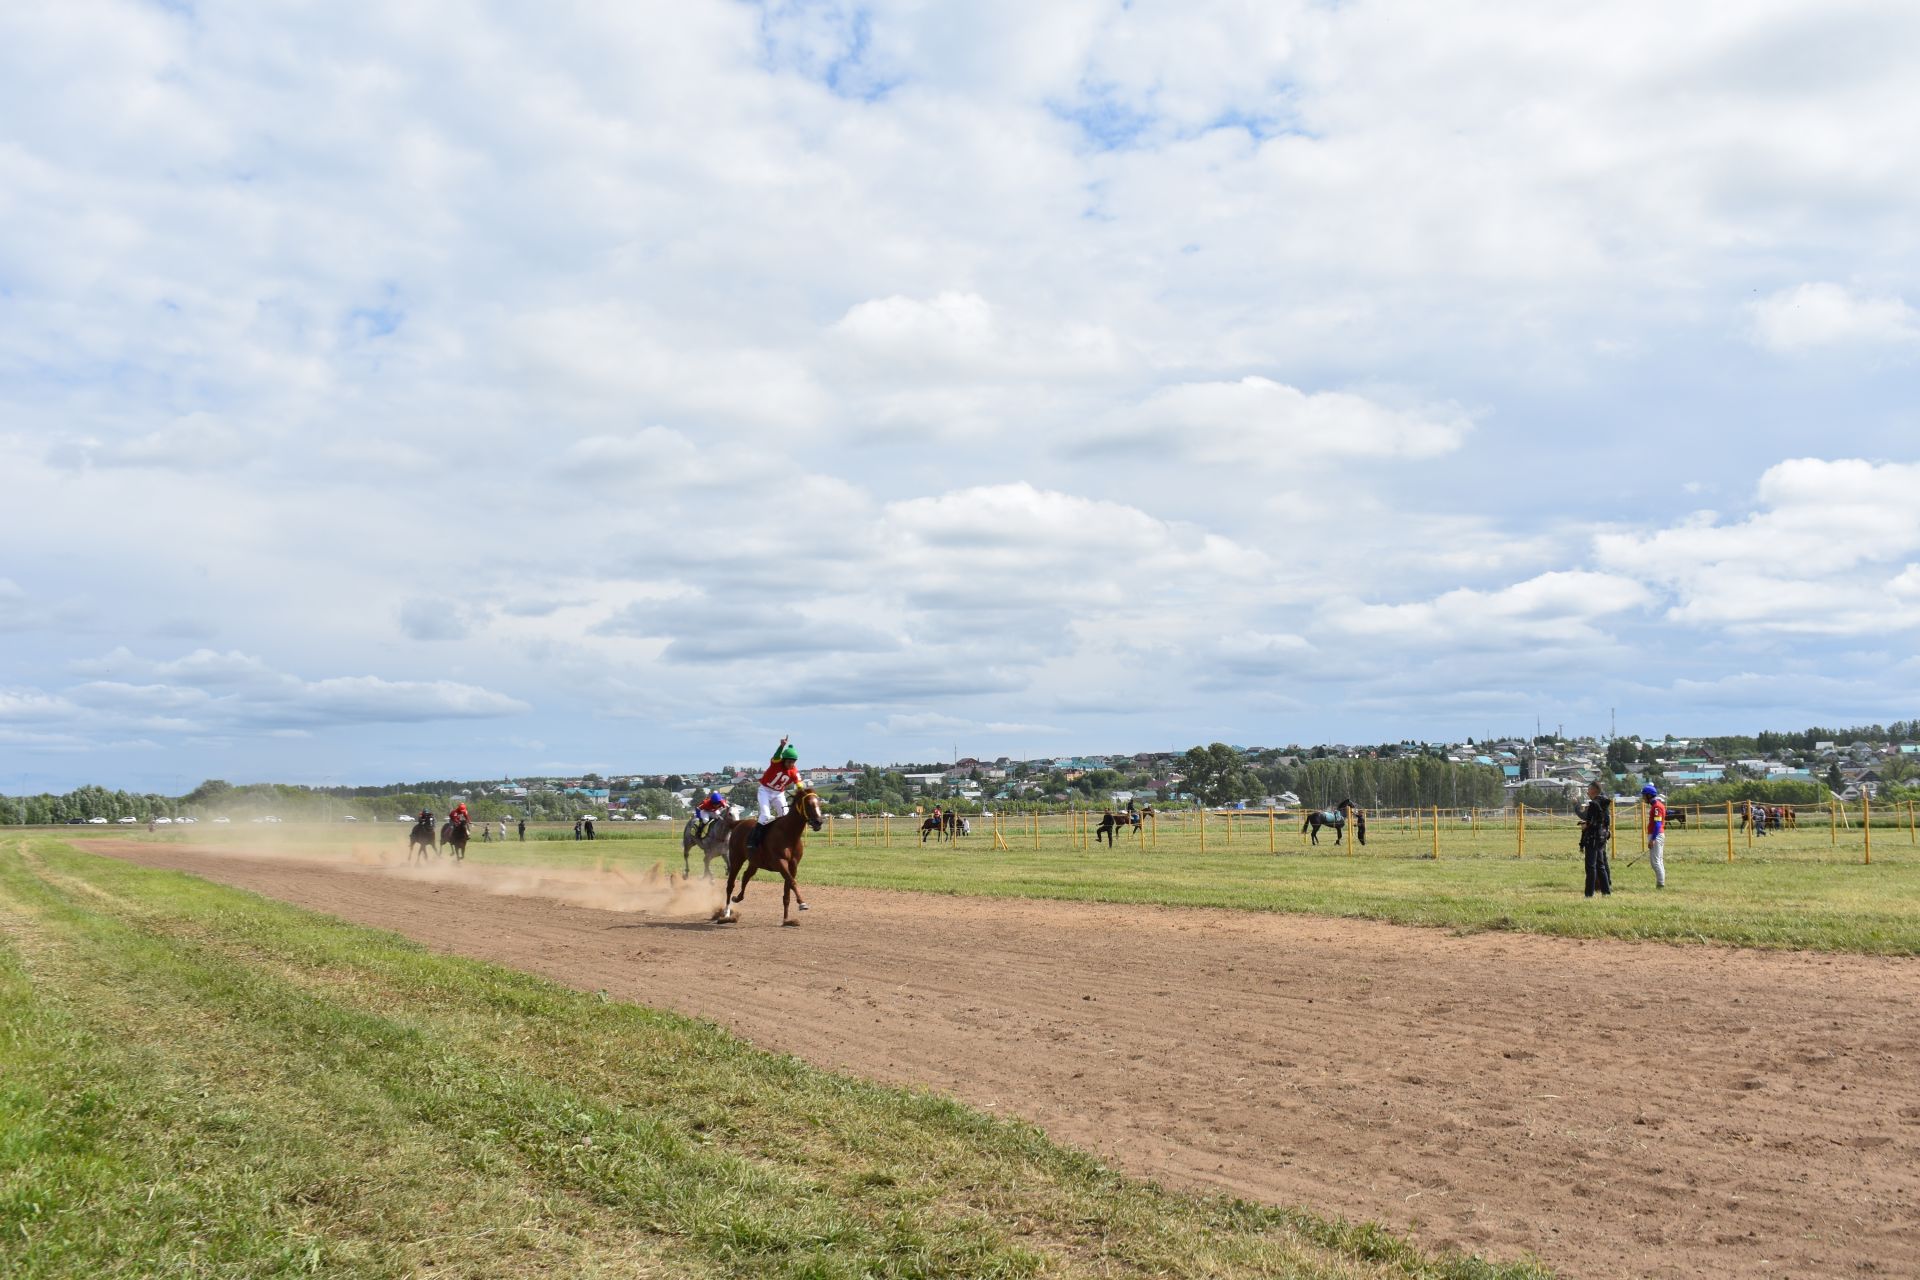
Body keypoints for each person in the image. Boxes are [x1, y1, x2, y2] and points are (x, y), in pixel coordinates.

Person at [750, 735, 801, 849]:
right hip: (765, 791)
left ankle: (782, 839)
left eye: (792, 762)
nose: (790, 764)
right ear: (784, 760)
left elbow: (799, 784)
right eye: (788, 761)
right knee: (765, 815)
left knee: (785, 816)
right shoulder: (776, 763)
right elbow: (777, 755)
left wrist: (804, 792)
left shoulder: (794, 771)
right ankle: (753, 840)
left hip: (779, 793)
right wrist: (781, 746)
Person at [1578, 781, 1611, 897]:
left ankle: (1589, 894)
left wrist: (1585, 825)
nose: (1587, 792)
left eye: (1588, 789)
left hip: (1592, 838)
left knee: (1591, 867)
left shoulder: (1593, 804)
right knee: (1601, 865)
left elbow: (1592, 822)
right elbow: (1605, 821)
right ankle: (1606, 892)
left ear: (1593, 791)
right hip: (1602, 838)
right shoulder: (1605, 804)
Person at [1642, 783, 1667, 889]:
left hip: (1656, 835)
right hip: (1657, 835)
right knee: (1658, 860)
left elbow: (1657, 824)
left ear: (1648, 795)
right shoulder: (1656, 806)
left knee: (1655, 862)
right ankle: (1660, 883)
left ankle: (1660, 884)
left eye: (1644, 795)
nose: (1643, 798)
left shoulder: (1656, 807)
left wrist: (1652, 839)